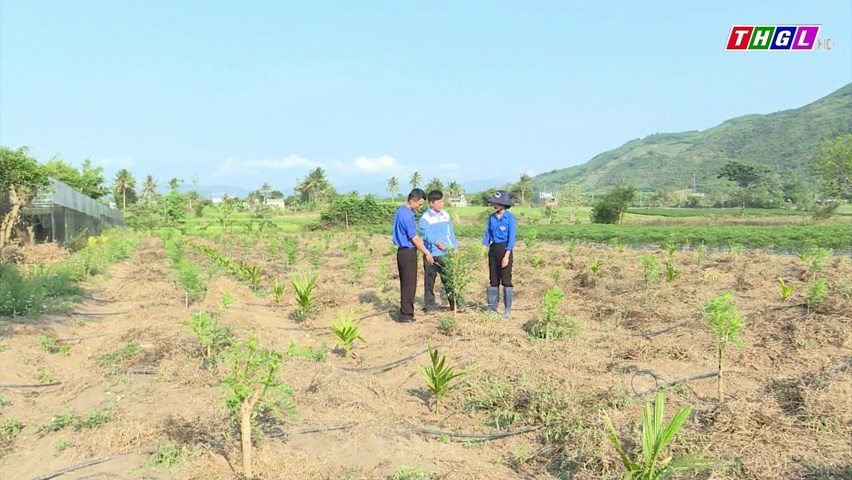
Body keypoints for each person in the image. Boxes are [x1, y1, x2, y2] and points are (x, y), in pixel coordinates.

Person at [391, 188, 434, 322]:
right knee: (410, 284)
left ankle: (405, 311)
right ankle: (406, 315)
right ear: (412, 201)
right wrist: (427, 253)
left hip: (401, 252)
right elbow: (414, 238)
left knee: (405, 283)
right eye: (419, 204)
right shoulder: (408, 215)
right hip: (408, 252)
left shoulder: (399, 211)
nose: (420, 207)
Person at [418, 190, 460, 313]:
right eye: (439, 201)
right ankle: (430, 306)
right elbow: (426, 235)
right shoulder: (424, 219)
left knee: (449, 280)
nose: (441, 204)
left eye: (442, 201)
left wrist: (455, 247)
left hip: (445, 254)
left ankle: (456, 304)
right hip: (431, 255)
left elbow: (450, 233)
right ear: (431, 203)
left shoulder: (445, 215)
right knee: (429, 282)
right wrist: (436, 242)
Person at [482, 190, 516, 319]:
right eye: (493, 203)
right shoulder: (491, 217)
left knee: (506, 279)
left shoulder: (510, 218)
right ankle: (492, 308)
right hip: (493, 249)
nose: (494, 205)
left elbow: (511, 238)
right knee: (493, 279)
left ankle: (507, 310)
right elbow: (487, 234)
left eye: (497, 203)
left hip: (505, 249)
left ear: (504, 204)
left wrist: (506, 255)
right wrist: (483, 246)